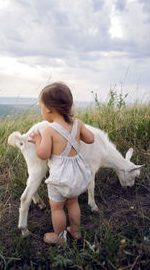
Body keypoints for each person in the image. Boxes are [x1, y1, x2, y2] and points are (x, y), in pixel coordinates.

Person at [29, 82, 94, 244]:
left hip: (60, 178)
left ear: (49, 109)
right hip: (77, 175)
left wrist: (38, 140)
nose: (41, 110)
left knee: (57, 208)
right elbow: (91, 138)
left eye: (41, 107)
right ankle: (76, 231)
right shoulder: (77, 123)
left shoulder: (49, 130)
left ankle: (59, 237)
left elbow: (43, 154)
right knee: (73, 203)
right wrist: (80, 131)